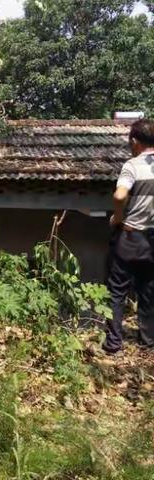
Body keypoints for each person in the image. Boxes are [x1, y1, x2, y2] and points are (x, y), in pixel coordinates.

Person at [104, 119, 154, 354]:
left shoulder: (132, 165)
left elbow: (119, 195)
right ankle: (147, 340)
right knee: (148, 289)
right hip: (151, 241)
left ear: (135, 142)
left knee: (116, 291)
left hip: (130, 236)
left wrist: (118, 217)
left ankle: (114, 344)